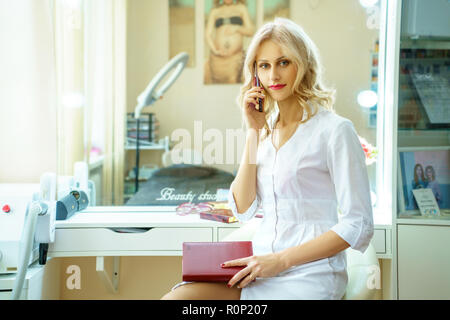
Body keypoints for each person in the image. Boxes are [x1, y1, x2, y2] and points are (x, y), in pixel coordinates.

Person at [161, 17, 374, 300]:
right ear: (255, 74)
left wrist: (281, 260)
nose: (273, 75)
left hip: (310, 275)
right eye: (264, 65)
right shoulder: (263, 131)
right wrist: (253, 129)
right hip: (259, 268)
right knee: (177, 300)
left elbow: (357, 224)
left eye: (284, 62)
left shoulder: (334, 130)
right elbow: (242, 208)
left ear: (304, 65)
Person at [204, 0, 255, 84]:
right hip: (217, 59)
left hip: (235, 58)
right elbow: (207, 35)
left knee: (234, 84)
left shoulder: (241, 8)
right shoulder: (215, 11)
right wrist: (215, 50)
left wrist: (237, 28)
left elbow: (250, 31)